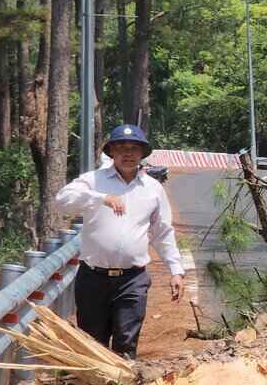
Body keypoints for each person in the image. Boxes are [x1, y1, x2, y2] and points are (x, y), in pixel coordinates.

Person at [55, 124, 184, 365]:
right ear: (111, 152)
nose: (128, 153)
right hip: (93, 279)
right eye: (121, 148)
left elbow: (162, 232)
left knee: (126, 345)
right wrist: (100, 198)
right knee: (93, 348)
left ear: (142, 153)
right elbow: (63, 200)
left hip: (132, 280)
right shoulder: (92, 181)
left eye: (134, 148)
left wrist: (176, 270)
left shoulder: (153, 189)